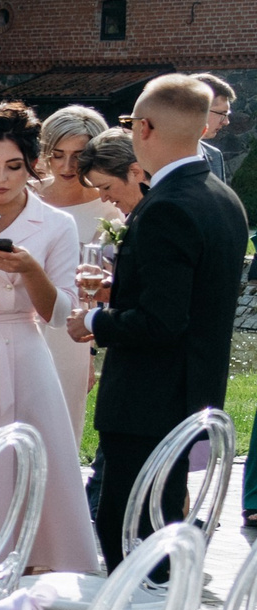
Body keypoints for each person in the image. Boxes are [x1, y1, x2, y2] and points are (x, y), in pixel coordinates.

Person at [69, 74, 252, 567]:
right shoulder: (222, 198)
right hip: (190, 394)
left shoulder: (166, 206)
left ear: (144, 128)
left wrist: (94, 320)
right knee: (161, 529)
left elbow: (160, 323)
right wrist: (119, 290)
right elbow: (193, 299)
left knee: (127, 533)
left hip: (148, 401)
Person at [0, 106, 98, 572]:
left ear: (32, 164)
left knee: (31, 455)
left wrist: (31, 270)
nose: (0, 179)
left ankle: (38, 560)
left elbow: (59, 315)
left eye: (14, 166)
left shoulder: (55, 224)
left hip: (24, 349)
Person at [34, 105, 110, 441]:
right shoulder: (24, 196)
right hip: (18, 322)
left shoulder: (109, 206)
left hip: (71, 335)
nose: (66, 166)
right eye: (58, 155)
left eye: (78, 156)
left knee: (61, 433)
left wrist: (90, 354)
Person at [196, 74, 239, 179]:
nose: (226, 122)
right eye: (221, 113)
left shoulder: (215, 155)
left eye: (227, 115)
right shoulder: (159, 155)